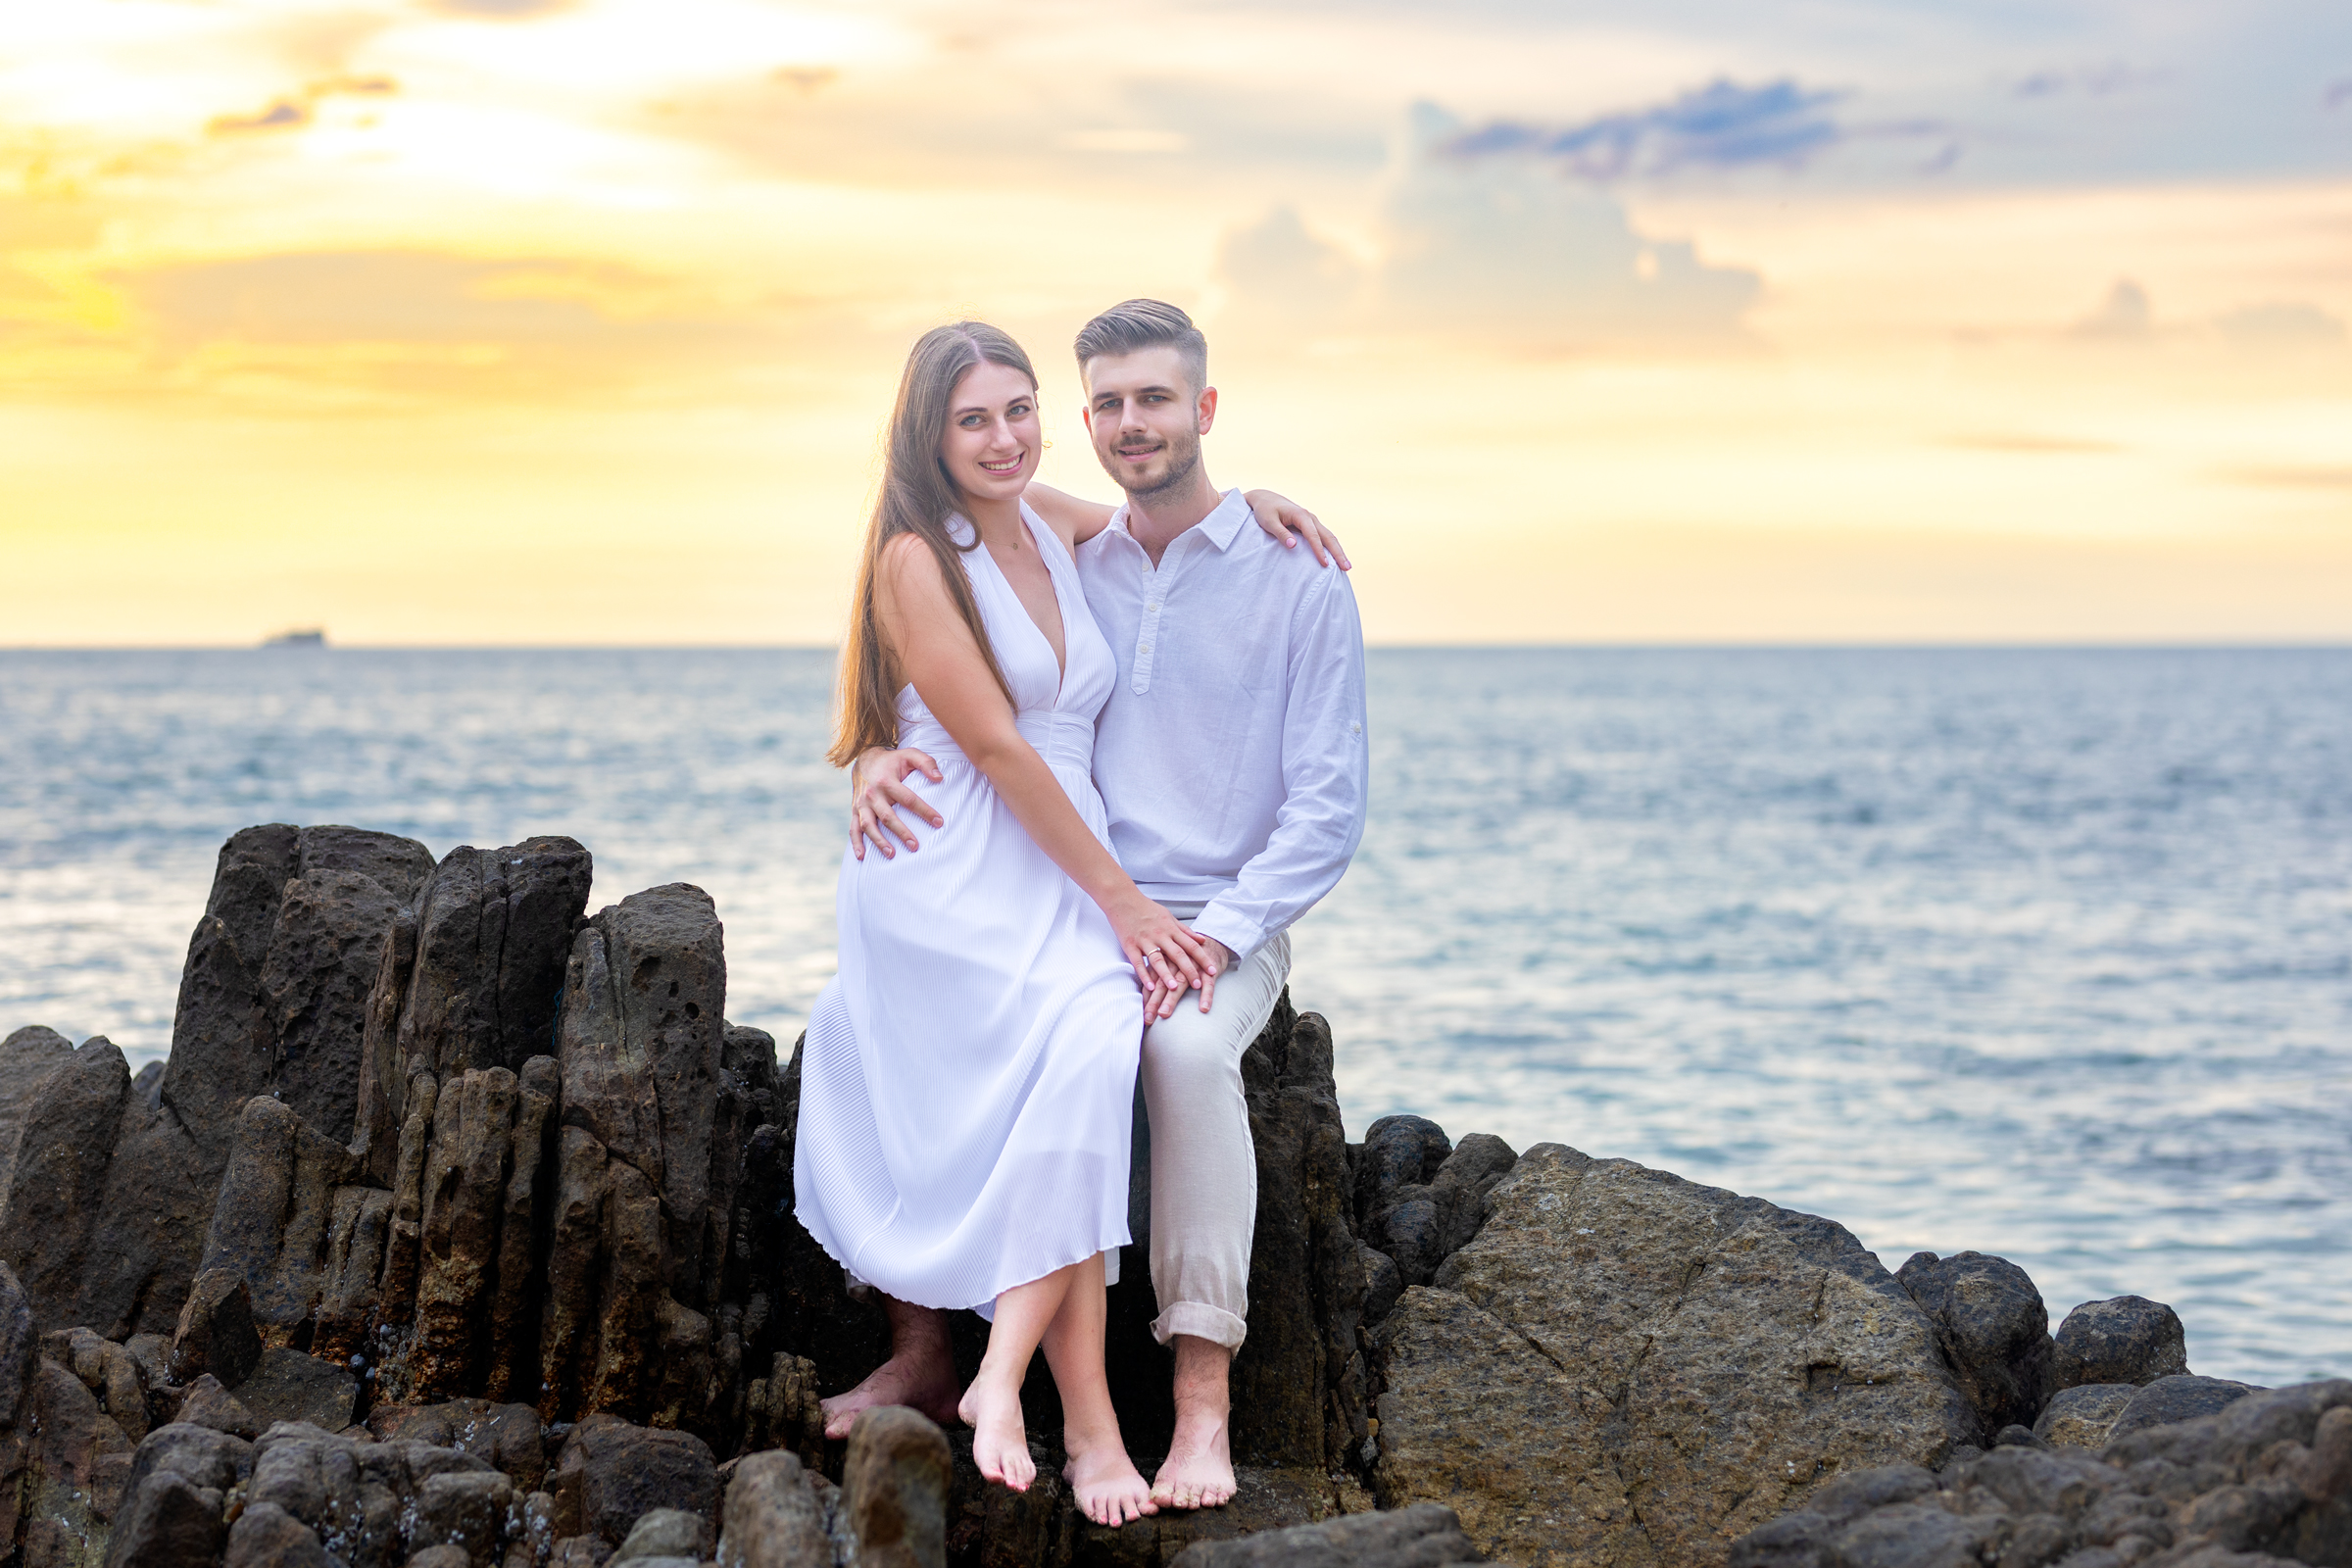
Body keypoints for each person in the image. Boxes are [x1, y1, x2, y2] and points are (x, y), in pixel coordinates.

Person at [794, 319, 1344, 1528]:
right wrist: (876, 757)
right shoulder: (917, 554)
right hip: (969, 869)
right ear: (929, 435)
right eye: (972, 419)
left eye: (1019, 411)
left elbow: (1175, 529)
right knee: (1080, 1055)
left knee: (1095, 1053)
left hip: (1063, 869)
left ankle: (1010, 1382)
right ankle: (1081, 1424)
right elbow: (987, 739)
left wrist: (1259, 503)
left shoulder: (1057, 523)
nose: (1003, 437)